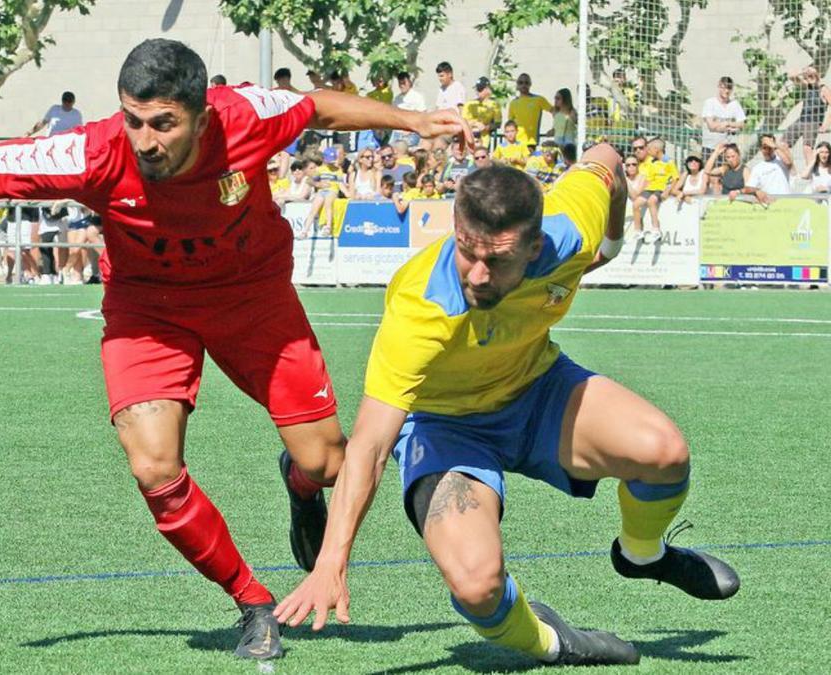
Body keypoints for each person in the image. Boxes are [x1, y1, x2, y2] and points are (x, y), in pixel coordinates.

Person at [0, 38, 471, 660]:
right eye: (134, 120)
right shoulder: (92, 152)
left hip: (253, 299)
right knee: (152, 466)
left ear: (202, 117)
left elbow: (316, 108)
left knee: (326, 464)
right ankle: (252, 602)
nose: (145, 140)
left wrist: (415, 121)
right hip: (148, 313)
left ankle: (300, 485)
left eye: (164, 124)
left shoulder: (247, 117)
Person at [274, 149, 740, 667]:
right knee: (478, 586)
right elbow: (371, 444)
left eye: (496, 261)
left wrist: (611, 241)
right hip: (447, 429)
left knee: (665, 452)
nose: (476, 274)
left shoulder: (568, 234)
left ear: (534, 246)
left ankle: (642, 554)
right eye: (466, 251)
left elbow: (605, 160)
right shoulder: (421, 306)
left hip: (537, 391)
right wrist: (332, 562)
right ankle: (554, 642)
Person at [785, 66, 831, 163]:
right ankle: (792, 172)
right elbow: (791, 76)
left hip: (813, 122)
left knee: (807, 149)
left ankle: (812, 174)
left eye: (811, 76)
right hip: (801, 120)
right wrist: (803, 71)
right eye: (807, 77)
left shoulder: (823, 89)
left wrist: (826, 125)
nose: (809, 78)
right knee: (782, 144)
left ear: (817, 76)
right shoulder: (807, 86)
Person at [638, 138, 677, 242]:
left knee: (651, 201)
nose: (648, 151)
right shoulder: (652, 162)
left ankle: (656, 229)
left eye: (649, 149)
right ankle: (638, 231)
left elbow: (675, 178)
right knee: (636, 203)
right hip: (651, 188)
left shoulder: (668, 161)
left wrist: (667, 191)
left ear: (656, 149)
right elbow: (649, 179)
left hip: (661, 188)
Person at [700, 77, 745, 160]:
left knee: (726, 172)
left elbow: (742, 124)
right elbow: (711, 126)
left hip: (727, 148)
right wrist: (732, 128)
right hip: (710, 147)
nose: (726, 91)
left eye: (729, 88)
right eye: (724, 87)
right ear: (719, 87)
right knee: (709, 171)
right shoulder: (710, 103)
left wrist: (727, 124)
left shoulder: (735, 104)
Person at [743, 134, 792, 205]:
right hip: (770, 204)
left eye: (770, 147)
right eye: (764, 147)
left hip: (786, 203)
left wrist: (774, 146)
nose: (767, 150)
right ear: (760, 148)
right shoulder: (757, 168)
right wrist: (757, 191)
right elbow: (748, 188)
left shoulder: (781, 161)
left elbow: (788, 163)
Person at [508, 73, 552, 150]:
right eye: (521, 82)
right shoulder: (513, 103)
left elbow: (554, 112)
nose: (523, 85)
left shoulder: (538, 100)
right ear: (517, 85)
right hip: (516, 141)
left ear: (530, 84)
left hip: (530, 142)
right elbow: (510, 123)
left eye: (526, 83)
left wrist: (554, 128)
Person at [463, 77, 501, 149]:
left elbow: (498, 123)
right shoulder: (469, 104)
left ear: (487, 89)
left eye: (480, 89)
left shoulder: (494, 105)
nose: (477, 92)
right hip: (468, 139)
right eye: (477, 89)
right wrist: (474, 123)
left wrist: (486, 128)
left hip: (484, 140)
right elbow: (463, 121)